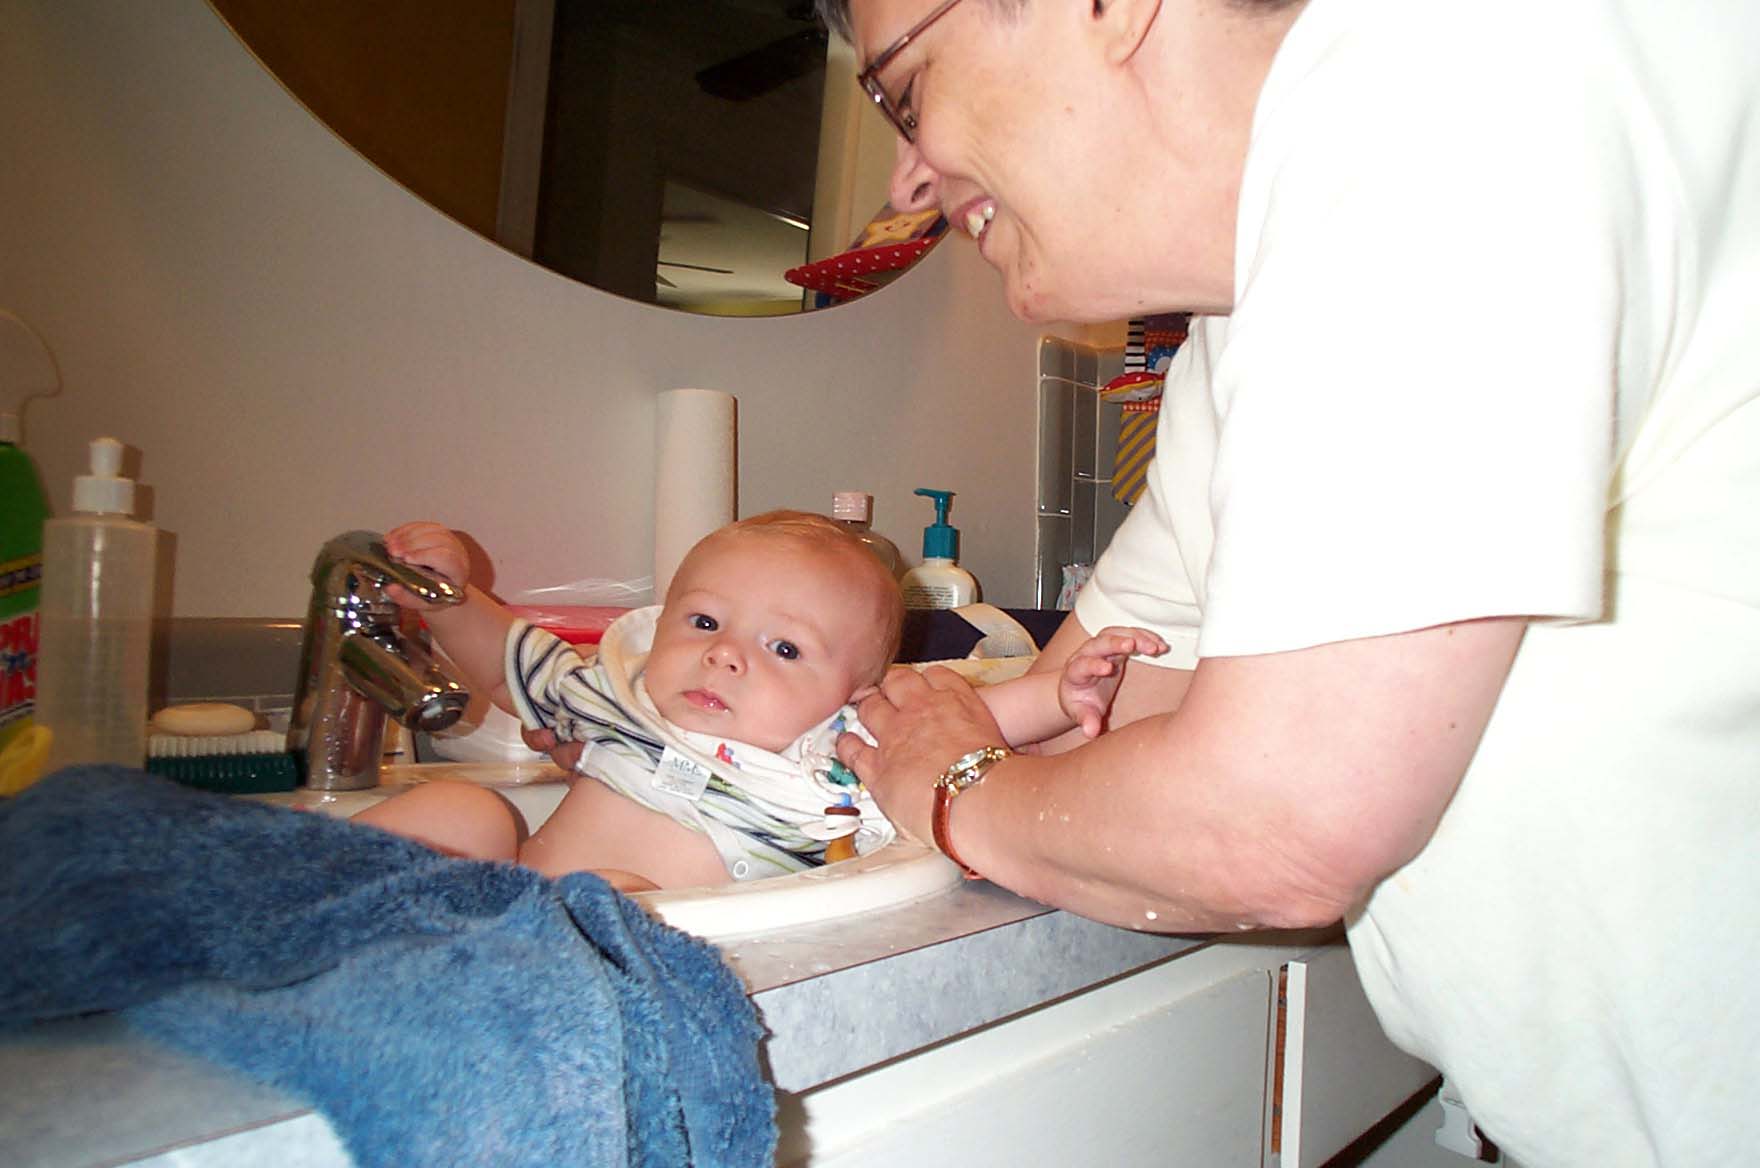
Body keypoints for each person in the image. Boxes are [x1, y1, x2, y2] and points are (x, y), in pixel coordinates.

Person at [797, 0, 1760, 1164]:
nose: (906, 179)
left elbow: (1270, 820)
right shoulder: (1252, 304)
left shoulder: (1443, 79)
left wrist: (954, 786)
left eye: (902, 91)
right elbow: (1117, 702)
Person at [359, 510, 1166, 893]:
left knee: (613, 893)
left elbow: (972, 724)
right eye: (705, 622)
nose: (725, 654)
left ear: (853, 693)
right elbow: (509, 667)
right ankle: (317, 901)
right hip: (505, 912)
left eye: (784, 649)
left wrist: (1060, 693)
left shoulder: (836, 755)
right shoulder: (617, 695)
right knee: (463, 811)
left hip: (634, 948)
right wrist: (446, 598)